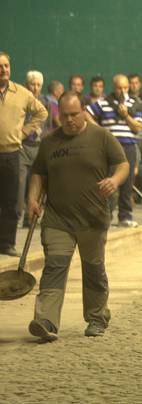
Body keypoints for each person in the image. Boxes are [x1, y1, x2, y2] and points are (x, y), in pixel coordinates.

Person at [26, 91, 129, 342]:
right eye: (64, 115)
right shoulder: (50, 142)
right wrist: (32, 198)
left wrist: (114, 181)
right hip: (57, 219)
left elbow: (123, 164)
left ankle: (96, 317)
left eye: (74, 114)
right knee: (54, 268)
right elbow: (39, 173)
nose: (70, 120)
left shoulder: (101, 137)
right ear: (58, 114)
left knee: (93, 269)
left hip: (92, 218)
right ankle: (46, 321)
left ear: (84, 111)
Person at [0, 52, 48, 256]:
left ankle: (6, 244)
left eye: (6, 66)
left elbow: (42, 112)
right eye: (0, 66)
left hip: (11, 154)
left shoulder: (21, 92)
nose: (3, 70)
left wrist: (24, 132)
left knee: (11, 202)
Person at [86, 74, 142, 228]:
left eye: (125, 87)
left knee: (128, 182)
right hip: (110, 148)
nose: (122, 91)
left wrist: (126, 116)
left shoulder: (135, 103)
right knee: (109, 181)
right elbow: (86, 113)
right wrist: (100, 131)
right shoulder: (104, 102)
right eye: (119, 87)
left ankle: (125, 216)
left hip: (129, 147)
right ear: (113, 87)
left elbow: (138, 128)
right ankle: (105, 215)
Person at [18, 70, 46, 228]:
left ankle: (31, 218)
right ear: (25, 85)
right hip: (22, 146)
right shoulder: (20, 100)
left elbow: (49, 125)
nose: (35, 88)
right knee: (20, 184)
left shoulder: (46, 103)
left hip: (39, 147)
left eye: (38, 85)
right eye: (32, 84)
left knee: (37, 184)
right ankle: (16, 216)